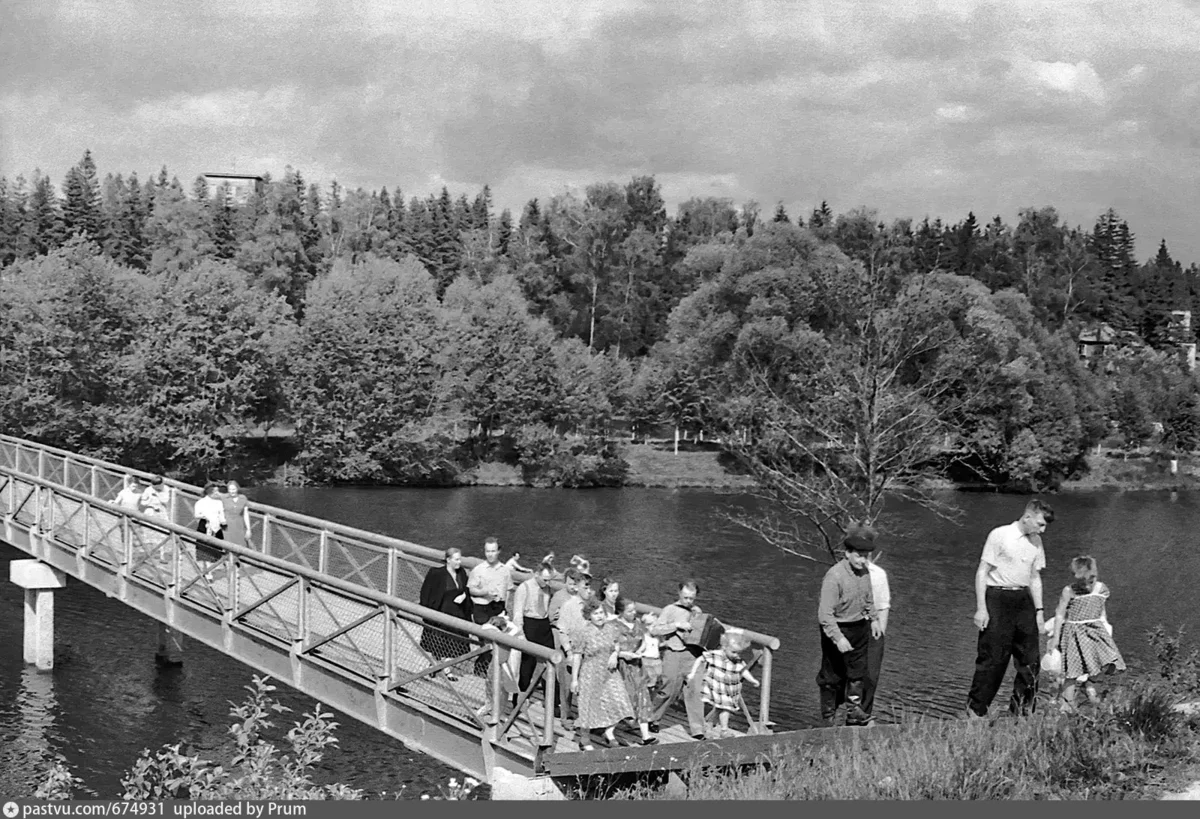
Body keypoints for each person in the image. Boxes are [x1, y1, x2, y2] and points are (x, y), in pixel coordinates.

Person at [967, 498, 1053, 719]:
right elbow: (981, 572)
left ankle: (1021, 711)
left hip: (1023, 599)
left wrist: (1040, 611)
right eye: (1040, 524)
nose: (1042, 530)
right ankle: (976, 710)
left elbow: (1035, 577)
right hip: (998, 596)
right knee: (993, 659)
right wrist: (981, 608)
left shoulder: (1036, 542)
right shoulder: (1000, 535)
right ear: (1027, 517)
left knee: (1031, 659)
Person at [816, 524, 879, 727]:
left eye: (866, 556)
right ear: (847, 554)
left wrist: (874, 618)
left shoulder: (864, 572)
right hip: (837, 628)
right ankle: (828, 718)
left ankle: (854, 712)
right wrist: (838, 637)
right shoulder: (834, 577)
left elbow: (868, 597)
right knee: (831, 677)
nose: (863, 560)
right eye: (859, 556)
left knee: (857, 672)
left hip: (859, 626)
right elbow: (825, 614)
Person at [1050, 555, 1125, 711]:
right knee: (1071, 672)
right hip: (1073, 634)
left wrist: (1106, 627)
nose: (1088, 587)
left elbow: (1101, 611)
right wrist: (1055, 638)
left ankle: (1090, 684)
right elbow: (1059, 614)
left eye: (1091, 582)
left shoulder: (1101, 589)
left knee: (1108, 661)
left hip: (1095, 632)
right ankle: (1067, 704)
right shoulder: (1069, 591)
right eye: (1082, 583)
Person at [570, 599, 635, 750]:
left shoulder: (611, 628)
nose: (599, 616)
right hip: (590, 672)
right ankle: (584, 739)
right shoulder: (583, 632)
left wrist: (615, 654)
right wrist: (574, 679)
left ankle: (609, 731)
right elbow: (577, 656)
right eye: (595, 613)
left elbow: (616, 644)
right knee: (589, 706)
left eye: (601, 613)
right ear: (589, 616)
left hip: (609, 672)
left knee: (619, 701)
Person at [648, 580, 707, 740]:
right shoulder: (670, 609)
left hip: (693, 655)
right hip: (674, 652)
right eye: (686, 597)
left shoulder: (696, 610)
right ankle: (652, 717)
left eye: (692, 598)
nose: (689, 601)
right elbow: (655, 629)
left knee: (695, 691)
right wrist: (676, 625)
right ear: (679, 594)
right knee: (669, 688)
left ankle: (698, 729)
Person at [688, 628, 759, 738]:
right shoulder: (715, 655)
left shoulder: (737, 660)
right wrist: (693, 673)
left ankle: (709, 725)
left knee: (722, 708)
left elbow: (743, 671)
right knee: (725, 708)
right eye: (734, 652)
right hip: (716, 687)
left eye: (739, 653)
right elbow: (700, 659)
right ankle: (723, 730)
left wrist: (752, 680)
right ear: (724, 647)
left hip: (729, 689)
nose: (736, 655)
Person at [419, 547, 473, 681]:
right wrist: (427, 612)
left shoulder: (462, 573)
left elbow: (467, 589)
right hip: (441, 612)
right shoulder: (436, 573)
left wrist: (464, 596)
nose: (459, 562)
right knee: (437, 641)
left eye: (460, 559)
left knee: (454, 642)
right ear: (448, 560)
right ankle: (434, 664)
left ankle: (447, 669)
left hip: (457, 612)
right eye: (456, 559)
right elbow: (426, 592)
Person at [612, 598, 657, 745]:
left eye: (634, 610)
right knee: (624, 698)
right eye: (629, 611)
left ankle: (645, 735)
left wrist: (640, 650)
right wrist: (623, 654)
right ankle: (608, 729)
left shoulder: (637, 623)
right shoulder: (613, 626)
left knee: (642, 696)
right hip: (621, 667)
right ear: (620, 611)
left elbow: (643, 640)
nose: (633, 613)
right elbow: (610, 648)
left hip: (637, 666)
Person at [511, 561, 555, 702]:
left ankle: (551, 700)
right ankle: (520, 699)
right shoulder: (524, 588)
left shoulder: (547, 588)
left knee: (552, 660)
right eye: (544, 579)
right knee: (527, 666)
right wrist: (521, 635)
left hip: (544, 625)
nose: (547, 583)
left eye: (549, 580)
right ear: (536, 574)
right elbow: (517, 614)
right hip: (529, 625)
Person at [863, 552, 891, 720]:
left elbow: (883, 606)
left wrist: (880, 635)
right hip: (848, 626)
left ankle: (863, 717)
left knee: (870, 676)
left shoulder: (878, 574)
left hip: (872, 628)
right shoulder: (838, 573)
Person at [468, 537, 513, 625]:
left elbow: (508, 590)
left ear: (498, 551)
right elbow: (471, 590)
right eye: (487, 551)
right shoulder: (478, 570)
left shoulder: (505, 570)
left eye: (493, 551)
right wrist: (483, 592)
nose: (490, 554)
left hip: (499, 608)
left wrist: (505, 606)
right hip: (482, 609)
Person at [192, 482, 227, 568]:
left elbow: (222, 515)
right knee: (205, 549)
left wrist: (224, 523)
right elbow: (196, 514)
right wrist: (206, 517)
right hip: (205, 526)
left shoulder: (219, 502)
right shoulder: (201, 502)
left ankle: (212, 567)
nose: (217, 493)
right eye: (215, 491)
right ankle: (208, 572)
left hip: (217, 528)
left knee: (216, 550)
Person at [220, 480, 252, 548]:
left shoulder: (243, 498)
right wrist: (221, 518)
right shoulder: (223, 498)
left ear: (237, 489)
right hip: (227, 526)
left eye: (234, 489)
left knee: (241, 546)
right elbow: (218, 510)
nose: (232, 491)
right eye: (230, 489)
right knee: (227, 546)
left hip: (239, 525)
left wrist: (248, 529)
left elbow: (246, 514)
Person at [640, 611, 663, 692]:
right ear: (646, 626)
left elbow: (658, 646)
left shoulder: (657, 638)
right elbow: (642, 648)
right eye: (652, 626)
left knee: (658, 678)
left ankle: (653, 692)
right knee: (649, 677)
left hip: (656, 660)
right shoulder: (644, 637)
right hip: (647, 660)